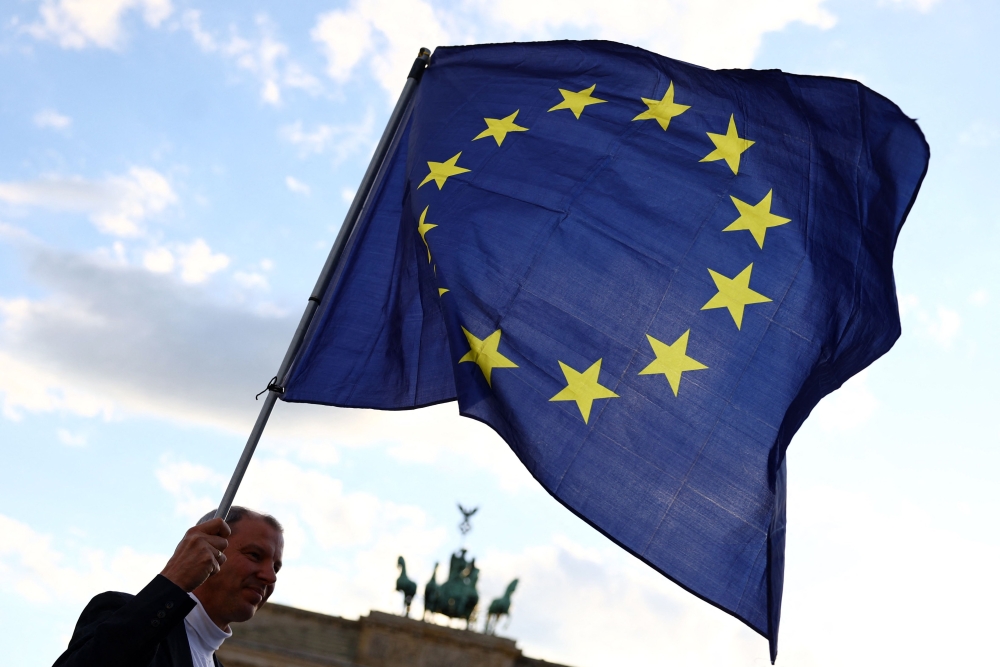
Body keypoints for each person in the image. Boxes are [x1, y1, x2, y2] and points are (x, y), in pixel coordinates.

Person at [53, 506, 284, 667]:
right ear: (207, 549)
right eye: (254, 555)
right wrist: (174, 581)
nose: (270, 577)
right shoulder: (118, 611)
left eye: (276, 567)